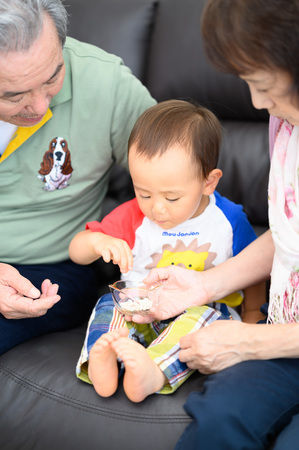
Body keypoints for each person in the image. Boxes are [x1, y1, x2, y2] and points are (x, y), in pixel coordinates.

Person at [127, 1, 299, 448]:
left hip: (279, 341)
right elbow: (289, 236)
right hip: (284, 338)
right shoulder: (286, 121)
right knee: (218, 420)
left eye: (261, 83)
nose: (258, 103)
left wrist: (249, 341)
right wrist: (206, 286)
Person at [69, 99, 265, 403]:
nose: (156, 208)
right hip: (139, 309)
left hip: (204, 310)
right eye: (143, 192)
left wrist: (253, 315)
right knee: (107, 307)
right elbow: (76, 252)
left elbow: (255, 269)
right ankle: (101, 357)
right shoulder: (133, 215)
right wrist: (98, 243)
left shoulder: (229, 221)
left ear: (208, 182)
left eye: (172, 198)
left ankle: (153, 370)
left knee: (204, 321)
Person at [0, 0, 156, 354]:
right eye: (14, 95)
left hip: (51, 265)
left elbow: (181, 174)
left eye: (53, 75)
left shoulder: (107, 86)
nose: (40, 108)